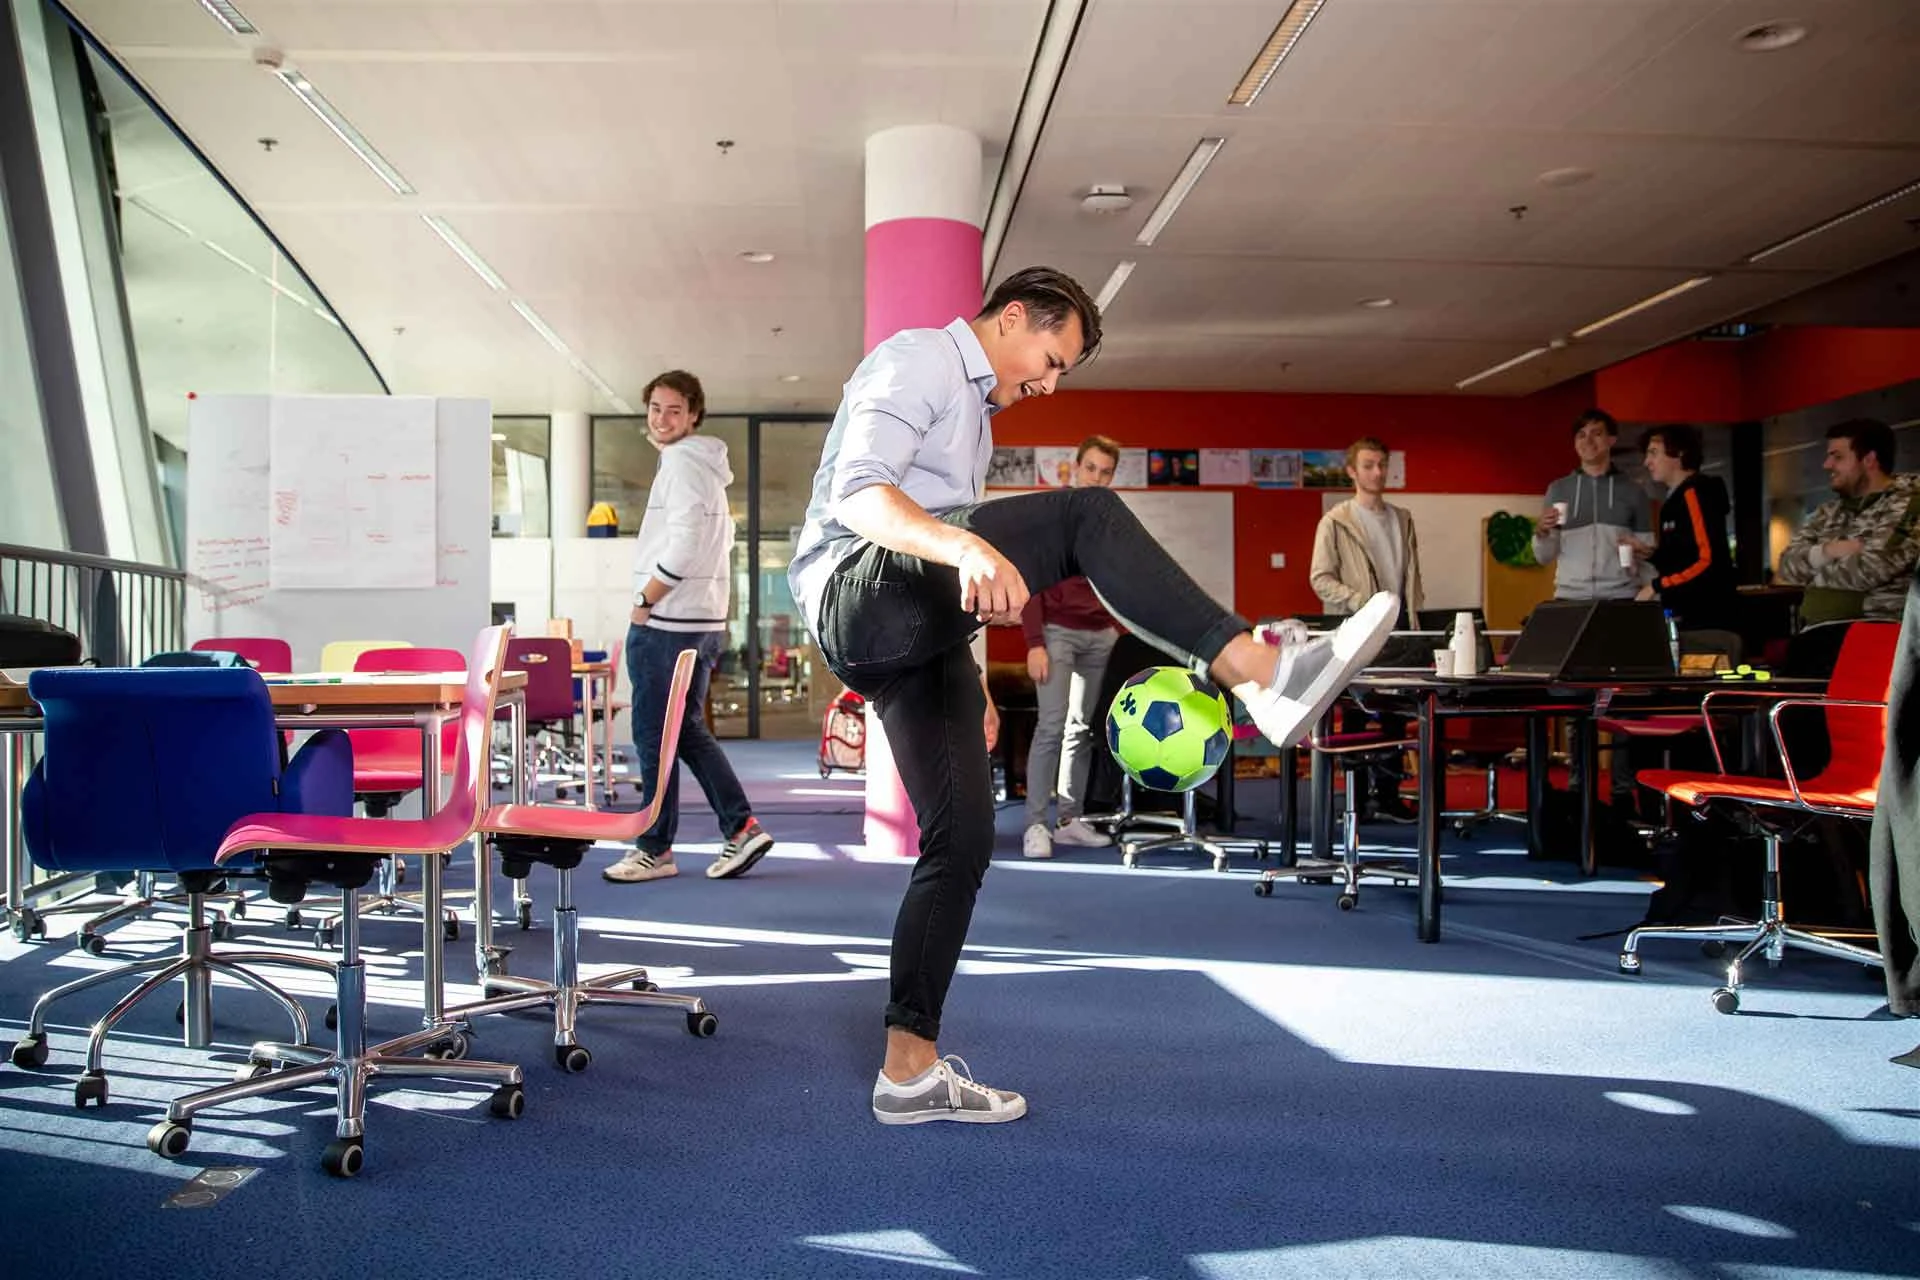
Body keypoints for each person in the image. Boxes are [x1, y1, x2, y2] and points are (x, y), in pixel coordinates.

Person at [788, 267, 1397, 1125]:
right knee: (1085, 516)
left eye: (1064, 370)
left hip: (910, 635)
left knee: (962, 841)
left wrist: (963, 664)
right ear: (1008, 318)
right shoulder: (919, 357)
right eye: (1050, 357)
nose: (1050, 382)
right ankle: (1262, 674)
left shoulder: (976, 419)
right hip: (853, 589)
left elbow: (951, 558)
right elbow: (863, 496)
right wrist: (964, 551)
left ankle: (909, 1072)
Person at [604, 370, 774, 884]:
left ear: (694, 414)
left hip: (669, 622)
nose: (661, 418)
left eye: (673, 409)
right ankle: (740, 828)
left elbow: (684, 542)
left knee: (656, 738)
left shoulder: (681, 463)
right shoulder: (704, 466)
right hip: (701, 620)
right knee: (686, 730)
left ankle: (655, 849)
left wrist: (644, 600)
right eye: (655, 408)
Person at [1019, 435, 1122, 859]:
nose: (1096, 477)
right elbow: (1031, 580)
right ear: (1076, 467)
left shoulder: (1111, 519)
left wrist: (1116, 626)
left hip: (1101, 636)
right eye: (1091, 468)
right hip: (1057, 632)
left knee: (1082, 731)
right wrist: (1034, 643)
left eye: (1106, 472)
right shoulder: (1054, 515)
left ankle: (1069, 820)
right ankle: (1035, 826)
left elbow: (1121, 578)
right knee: (1051, 727)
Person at [1309, 436, 1423, 819]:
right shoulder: (1336, 521)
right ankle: (1359, 799)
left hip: (1401, 626)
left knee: (1395, 709)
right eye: (1369, 465)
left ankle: (1388, 794)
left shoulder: (1403, 518)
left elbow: (1411, 576)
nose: (1377, 472)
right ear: (1352, 471)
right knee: (1357, 707)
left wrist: (1413, 615)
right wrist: (1362, 601)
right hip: (1358, 626)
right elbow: (1320, 578)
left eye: (1381, 465)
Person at [1776, 418, 1920, 625]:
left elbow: (1874, 567)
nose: (1827, 465)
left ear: (1869, 459)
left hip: (1877, 634)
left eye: (1838, 457)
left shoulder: (1910, 503)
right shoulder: (1828, 513)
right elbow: (1786, 568)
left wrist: (1812, 573)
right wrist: (1828, 551)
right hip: (1815, 633)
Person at [1533, 409, 1651, 600]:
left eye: (1596, 433)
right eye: (1581, 435)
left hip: (1622, 597)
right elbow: (1544, 557)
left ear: (1611, 440)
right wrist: (1541, 532)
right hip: (1570, 598)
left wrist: (1651, 594)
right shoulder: (1558, 489)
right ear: (1575, 443)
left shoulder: (1634, 491)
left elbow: (1648, 555)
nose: (1588, 441)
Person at [1631, 423, 1737, 627]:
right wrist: (1650, 554)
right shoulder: (1674, 500)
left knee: (1703, 660)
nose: (1647, 462)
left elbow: (1706, 560)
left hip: (1707, 616)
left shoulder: (1694, 494)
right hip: (1686, 614)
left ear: (1679, 453)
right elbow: (1683, 556)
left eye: (1653, 453)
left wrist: (1657, 586)